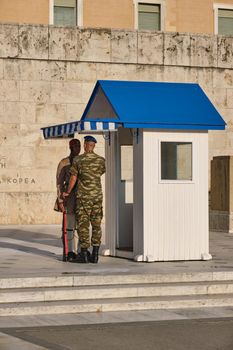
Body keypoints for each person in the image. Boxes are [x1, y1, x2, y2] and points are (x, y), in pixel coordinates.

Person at [63, 135, 106, 264]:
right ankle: (95, 254)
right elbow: (101, 172)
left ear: (86, 144)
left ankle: (84, 255)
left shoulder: (78, 160)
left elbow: (73, 178)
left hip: (83, 198)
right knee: (97, 225)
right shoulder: (101, 160)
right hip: (97, 197)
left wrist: (67, 192)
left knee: (83, 226)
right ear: (94, 146)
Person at [55, 138, 81, 262]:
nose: (77, 148)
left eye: (79, 146)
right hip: (68, 199)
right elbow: (59, 183)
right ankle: (70, 251)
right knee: (69, 227)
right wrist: (60, 200)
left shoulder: (83, 161)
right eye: (75, 146)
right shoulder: (64, 162)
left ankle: (81, 250)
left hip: (82, 198)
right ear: (70, 148)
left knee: (82, 226)